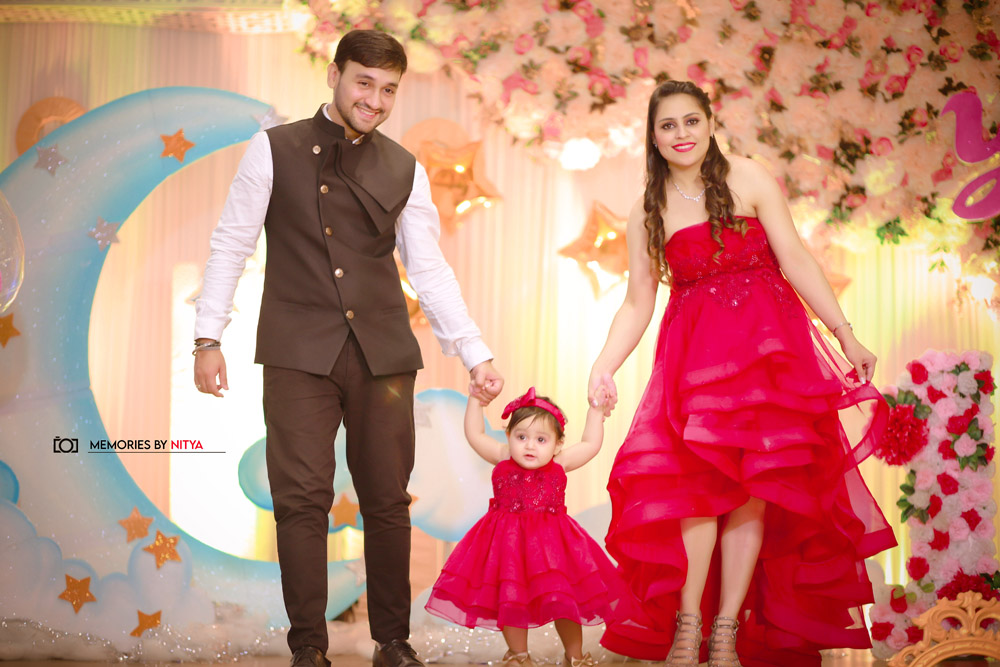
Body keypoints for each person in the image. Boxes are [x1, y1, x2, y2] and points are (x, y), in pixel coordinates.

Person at [193, 29, 503, 667]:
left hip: (382, 356)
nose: (375, 100)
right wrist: (207, 335)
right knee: (300, 500)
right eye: (365, 83)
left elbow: (429, 269)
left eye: (389, 89)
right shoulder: (273, 148)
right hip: (296, 351)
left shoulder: (405, 168)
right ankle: (308, 647)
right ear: (335, 76)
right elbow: (231, 243)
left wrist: (474, 352)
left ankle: (393, 642)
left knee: (387, 501)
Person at [586, 80, 897, 667]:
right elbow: (637, 301)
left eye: (690, 121)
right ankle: (689, 624)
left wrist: (845, 333)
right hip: (695, 363)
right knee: (697, 491)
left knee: (757, 489)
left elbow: (796, 258)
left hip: (770, 359)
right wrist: (603, 365)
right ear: (653, 136)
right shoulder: (647, 211)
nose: (681, 134)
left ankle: (726, 628)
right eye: (667, 125)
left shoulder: (749, 177)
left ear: (710, 123)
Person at [424, 387, 630, 667]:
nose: (530, 446)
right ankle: (518, 655)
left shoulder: (559, 463)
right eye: (521, 437)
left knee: (565, 601)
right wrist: (475, 400)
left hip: (553, 549)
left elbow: (591, 444)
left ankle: (575, 655)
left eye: (541, 439)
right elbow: (475, 435)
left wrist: (596, 412)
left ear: (557, 444)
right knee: (512, 599)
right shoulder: (503, 456)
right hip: (508, 547)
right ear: (509, 436)